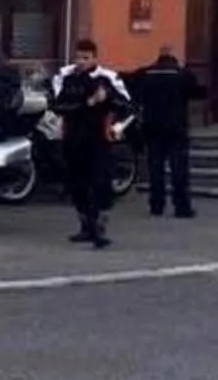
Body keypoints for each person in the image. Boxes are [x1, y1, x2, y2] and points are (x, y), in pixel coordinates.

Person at [51, 39, 132, 248]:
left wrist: (107, 100)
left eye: (86, 58)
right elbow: (59, 106)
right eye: (78, 57)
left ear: (95, 58)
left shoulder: (107, 78)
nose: (81, 62)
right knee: (77, 184)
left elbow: (125, 105)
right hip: (73, 137)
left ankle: (99, 226)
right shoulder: (67, 78)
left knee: (101, 182)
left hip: (99, 138)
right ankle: (85, 225)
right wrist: (88, 103)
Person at [129, 44, 204, 219]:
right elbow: (197, 93)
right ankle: (182, 207)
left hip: (152, 126)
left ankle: (156, 205)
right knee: (179, 169)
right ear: (173, 57)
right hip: (177, 127)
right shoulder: (183, 75)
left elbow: (131, 88)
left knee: (155, 168)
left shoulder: (145, 74)